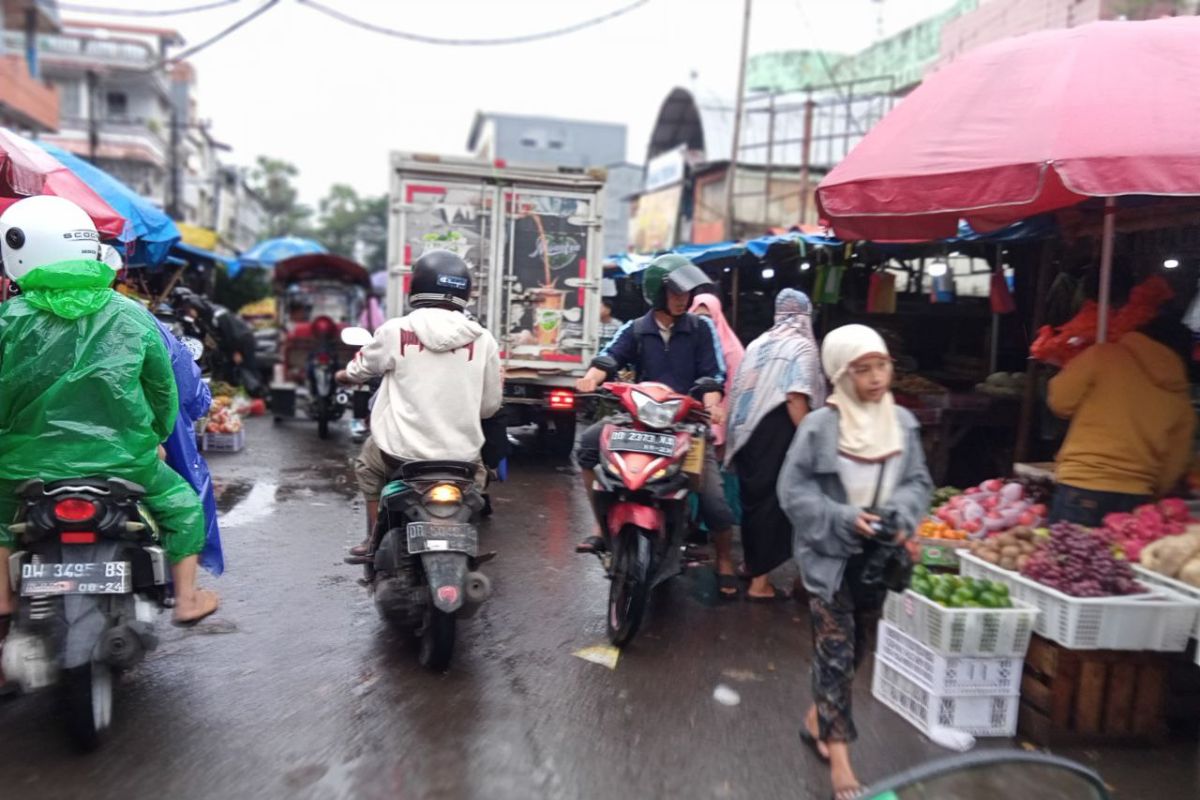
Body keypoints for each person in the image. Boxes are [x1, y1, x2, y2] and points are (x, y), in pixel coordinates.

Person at [0, 197, 218, 660]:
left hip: (21, 468)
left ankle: (3, 596)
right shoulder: (131, 316)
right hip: (124, 463)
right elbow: (163, 391)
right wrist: (155, 438)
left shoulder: (7, 322)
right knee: (182, 507)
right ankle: (186, 598)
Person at [778, 324, 931, 800]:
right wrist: (844, 518)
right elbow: (793, 491)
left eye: (881, 366)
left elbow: (917, 481)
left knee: (857, 647)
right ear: (841, 374)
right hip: (830, 560)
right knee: (836, 654)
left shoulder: (902, 424)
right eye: (862, 370)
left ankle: (817, 718)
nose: (876, 378)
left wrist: (901, 515)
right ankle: (842, 764)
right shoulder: (819, 428)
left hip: (879, 560)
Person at [574, 254, 740, 597]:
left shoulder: (701, 329)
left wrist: (712, 405)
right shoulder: (636, 328)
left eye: (686, 292)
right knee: (589, 445)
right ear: (656, 293)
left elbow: (713, 375)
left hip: (687, 425)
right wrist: (591, 378)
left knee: (714, 501)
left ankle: (724, 560)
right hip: (640, 420)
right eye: (675, 292)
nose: (683, 299)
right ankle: (603, 526)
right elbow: (608, 357)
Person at [338, 250, 502, 558]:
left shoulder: (394, 330)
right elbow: (490, 406)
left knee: (367, 467)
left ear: (417, 287)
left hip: (400, 455)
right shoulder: (484, 340)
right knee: (480, 480)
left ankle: (373, 539)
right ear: (465, 292)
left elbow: (361, 368)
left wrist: (344, 375)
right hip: (461, 458)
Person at [1047, 314, 1195, 526]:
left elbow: (1060, 402)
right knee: (1117, 549)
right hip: (1137, 493)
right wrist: (1152, 490)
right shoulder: (1180, 397)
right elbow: (1174, 464)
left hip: (1084, 481)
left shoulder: (1103, 356)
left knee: (1067, 547)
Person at [726, 289, 825, 601]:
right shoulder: (802, 346)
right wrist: (813, 439)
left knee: (753, 503)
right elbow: (796, 397)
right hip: (777, 432)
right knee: (774, 506)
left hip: (747, 434)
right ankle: (760, 584)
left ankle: (751, 565)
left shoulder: (759, 343)